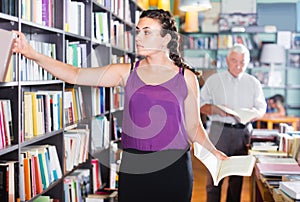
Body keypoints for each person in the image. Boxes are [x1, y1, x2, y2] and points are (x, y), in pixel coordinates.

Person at [12, 9, 227, 202]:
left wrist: (214, 152)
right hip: (134, 167)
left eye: (147, 32)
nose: (139, 37)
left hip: (174, 169)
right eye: (138, 31)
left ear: (165, 39)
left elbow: (193, 127)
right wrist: (32, 54)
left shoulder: (186, 78)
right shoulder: (126, 72)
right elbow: (75, 74)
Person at [200, 43, 266, 202]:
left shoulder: (253, 83)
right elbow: (201, 106)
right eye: (234, 61)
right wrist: (217, 110)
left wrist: (250, 115)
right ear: (227, 61)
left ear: (248, 62)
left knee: (237, 180)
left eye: (242, 62)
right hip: (219, 131)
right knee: (214, 178)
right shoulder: (214, 80)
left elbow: (261, 109)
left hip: (242, 134)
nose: (238, 65)